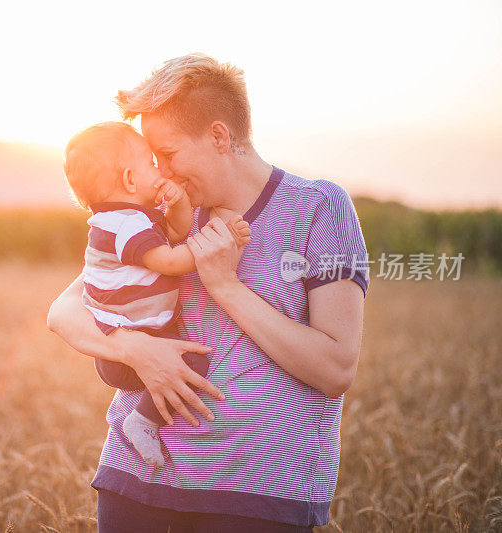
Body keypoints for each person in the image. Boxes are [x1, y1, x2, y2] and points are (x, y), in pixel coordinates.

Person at [47, 53, 369, 531]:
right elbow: (65, 309)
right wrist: (135, 348)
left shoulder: (321, 208)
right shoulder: (163, 214)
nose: (164, 173)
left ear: (220, 136)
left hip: (257, 493)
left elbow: (336, 368)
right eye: (153, 160)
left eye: (169, 155)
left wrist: (226, 286)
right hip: (137, 478)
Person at [62, 121, 251, 467]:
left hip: (130, 338)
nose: (159, 169)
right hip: (129, 347)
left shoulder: (127, 218)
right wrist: (217, 241)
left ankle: (145, 419)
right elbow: (169, 259)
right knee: (193, 360)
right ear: (131, 181)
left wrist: (177, 203)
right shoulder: (125, 225)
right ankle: (143, 422)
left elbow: (175, 230)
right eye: (151, 163)